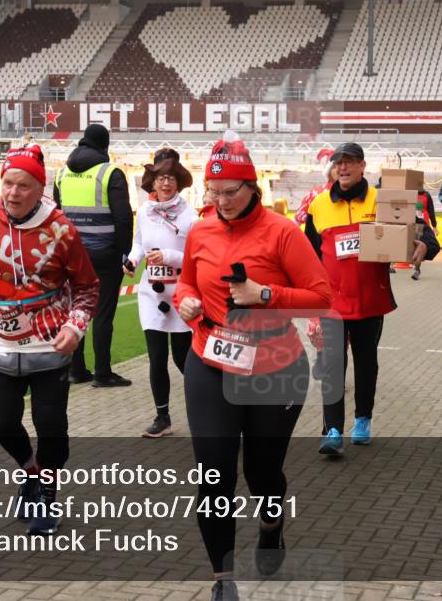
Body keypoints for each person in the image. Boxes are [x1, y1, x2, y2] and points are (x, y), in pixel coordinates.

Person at [173, 133, 333, 600]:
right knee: (214, 473)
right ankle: (222, 579)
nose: (221, 202)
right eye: (213, 192)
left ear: (252, 187)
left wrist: (265, 294)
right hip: (210, 361)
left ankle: (271, 524)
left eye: (230, 192)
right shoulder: (201, 230)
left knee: (262, 474)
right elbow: (186, 283)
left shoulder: (282, 232)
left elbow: (321, 297)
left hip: (274, 369)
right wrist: (185, 301)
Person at [0, 143, 99, 536]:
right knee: (1, 424)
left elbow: (87, 286)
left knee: (50, 426)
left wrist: (75, 327)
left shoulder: (61, 230)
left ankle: (46, 496)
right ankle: (31, 472)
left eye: (23, 185)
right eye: (8, 183)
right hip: (1, 345)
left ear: (40, 188)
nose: (13, 192)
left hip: (49, 347)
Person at [304, 142, 395, 456]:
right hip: (333, 303)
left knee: (366, 363)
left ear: (362, 166)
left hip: (371, 300)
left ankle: (363, 420)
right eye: (338, 162)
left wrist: (423, 245)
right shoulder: (318, 205)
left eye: (350, 162)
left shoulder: (381, 200)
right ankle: (332, 429)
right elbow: (308, 256)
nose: (343, 167)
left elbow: (416, 232)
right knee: (332, 365)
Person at [54, 123, 134, 387]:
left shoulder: (62, 173)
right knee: (103, 315)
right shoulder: (110, 173)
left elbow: (57, 215)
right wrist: (124, 252)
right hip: (105, 254)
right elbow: (123, 218)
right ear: (105, 145)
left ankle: (76, 370)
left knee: (76, 310)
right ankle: (103, 372)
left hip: (72, 254)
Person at [126, 148, 197, 438]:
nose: (165, 183)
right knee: (156, 357)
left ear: (178, 182)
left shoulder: (190, 216)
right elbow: (138, 245)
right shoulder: (144, 212)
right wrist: (132, 261)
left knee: (182, 359)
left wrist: (168, 256)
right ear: (152, 182)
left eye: (170, 178)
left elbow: (194, 257)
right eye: (160, 178)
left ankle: (208, 408)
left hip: (180, 294)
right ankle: (162, 417)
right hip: (151, 295)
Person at [293, 147, 336, 226]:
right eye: (335, 167)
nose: (342, 169)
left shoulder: (358, 194)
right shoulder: (315, 194)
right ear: (329, 171)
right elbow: (295, 223)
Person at [411, 185, 438, 281]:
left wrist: (434, 226)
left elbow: (431, 211)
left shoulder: (426, 195)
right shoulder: (408, 194)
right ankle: (416, 266)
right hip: (411, 224)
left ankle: (416, 269)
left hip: (423, 226)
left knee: (422, 245)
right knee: (415, 246)